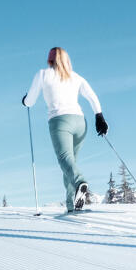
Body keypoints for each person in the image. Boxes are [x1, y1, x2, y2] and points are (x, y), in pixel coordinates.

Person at [22, 47, 108, 212]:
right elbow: (92, 96)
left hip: (60, 121)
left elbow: (30, 101)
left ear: (49, 60)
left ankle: (79, 182)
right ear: (67, 60)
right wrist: (99, 117)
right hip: (80, 122)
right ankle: (71, 206)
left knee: (65, 160)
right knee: (70, 163)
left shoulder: (43, 74)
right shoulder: (75, 77)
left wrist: (25, 100)